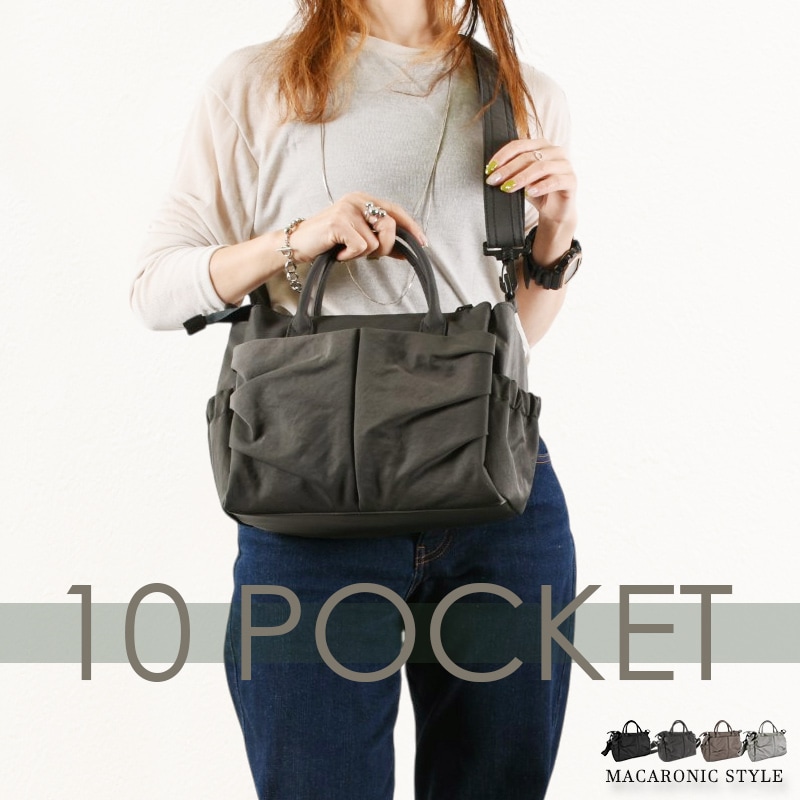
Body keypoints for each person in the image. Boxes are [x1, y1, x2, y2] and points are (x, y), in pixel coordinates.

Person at [131, 1, 579, 798]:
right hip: (311, 502)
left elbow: (519, 333)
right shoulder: (257, 85)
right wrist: (296, 240)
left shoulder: (519, 93)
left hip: (495, 506)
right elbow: (156, 290)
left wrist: (555, 228)